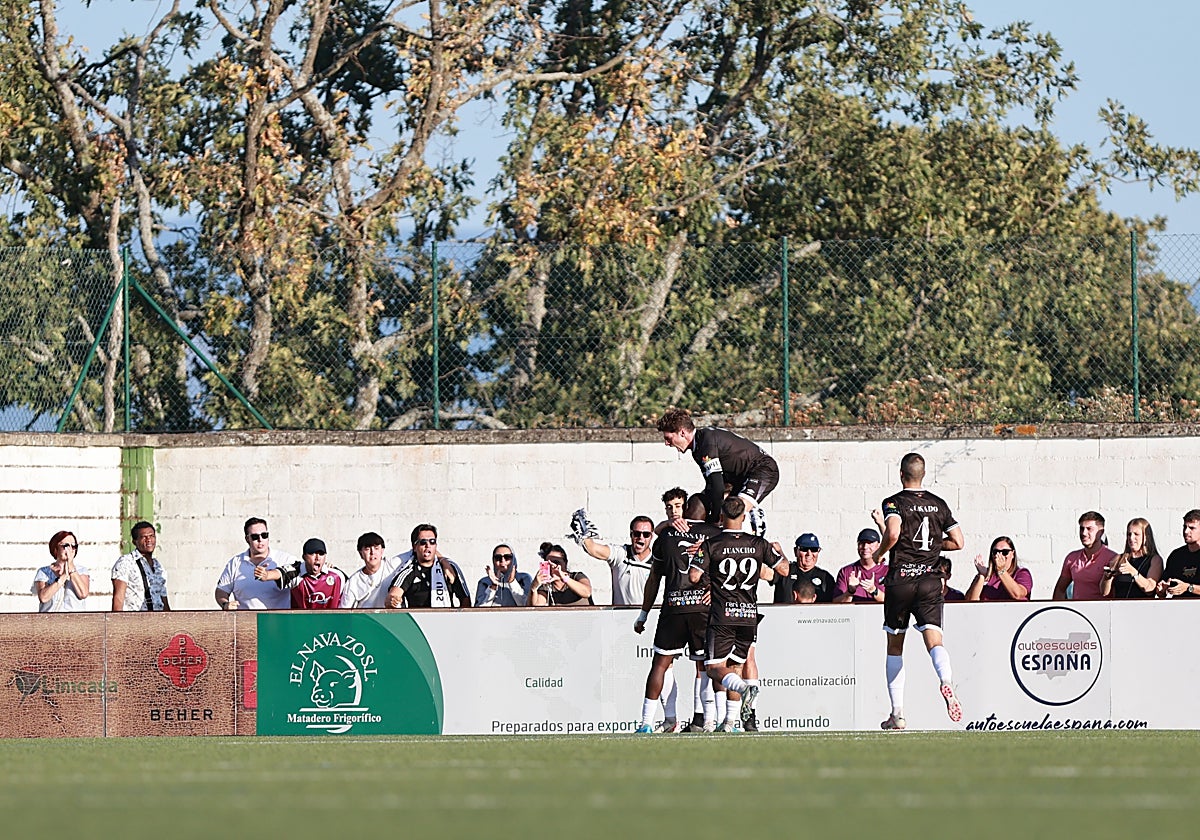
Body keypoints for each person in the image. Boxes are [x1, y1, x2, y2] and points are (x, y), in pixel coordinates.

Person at [873, 452, 965, 730]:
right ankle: (946, 682)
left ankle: (897, 713)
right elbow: (958, 541)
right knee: (934, 641)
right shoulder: (939, 505)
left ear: (901, 475)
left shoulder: (894, 502)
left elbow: (892, 534)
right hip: (929, 580)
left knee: (895, 647)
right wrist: (937, 546)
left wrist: (879, 553)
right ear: (923, 475)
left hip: (901, 579)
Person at [687, 496, 780, 733]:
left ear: (721, 515)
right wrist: (774, 552)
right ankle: (730, 722)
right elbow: (784, 569)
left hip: (722, 615)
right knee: (736, 665)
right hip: (749, 614)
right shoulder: (758, 543)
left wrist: (699, 560)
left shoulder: (712, 544)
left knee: (714, 667)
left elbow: (693, 577)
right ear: (744, 517)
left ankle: (744, 690)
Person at [634, 493, 721, 733]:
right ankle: (707, 721)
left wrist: (643, 614)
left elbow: (654, 578)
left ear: (686, 509)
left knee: (660, 664)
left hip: (673, 606)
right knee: (706, 666)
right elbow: (724, 571)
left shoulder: (666, 535)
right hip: (702, 610)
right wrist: (714, 589)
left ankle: (647, 723)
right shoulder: (714, 534)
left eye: (678, 507)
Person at [656, 408, 780, 536]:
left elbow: (717, 486)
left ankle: (750, 544)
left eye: (668, 438)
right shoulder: (699, 444)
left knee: (734, 511)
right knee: (720, 510)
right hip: (741, 477)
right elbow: (712, 486)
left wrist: (714, 519)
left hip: (762, 470)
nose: (667, 443)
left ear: (682, 433)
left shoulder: (705, 444)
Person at [571, 508, 655, 606]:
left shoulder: (660, 560)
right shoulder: (620, 554)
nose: (641, 537)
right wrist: (584, 533)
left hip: (652, 617)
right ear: (631, 534)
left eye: (646, 534)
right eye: (637, 533)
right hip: (623, 618)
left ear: (651, 536)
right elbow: (593, 549)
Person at [214, 517, 296, 610]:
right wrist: (225, 604)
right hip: (246, 623)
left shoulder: (284, 559)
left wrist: (270, 575)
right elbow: (221, 591)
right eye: (255, 537)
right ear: (247, 539)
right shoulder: (235, 563)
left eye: (264, 535)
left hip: (279, 622)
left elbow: (303, 575)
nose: (260, 540)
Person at [386, 524, 471, 608]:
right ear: (414, 547)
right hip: (418, 621)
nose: (428, 545)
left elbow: (465, 600)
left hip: (448, 620)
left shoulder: (450, 568)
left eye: (432, 541)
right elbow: (393, 596)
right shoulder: (409, 571)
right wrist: (393, 600)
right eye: (423, 542)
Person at [255, 538, 346, 609]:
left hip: (330, 628)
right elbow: (281, 573)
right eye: (312, 554)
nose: (317, 558)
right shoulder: (296, 572)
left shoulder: (337, 575)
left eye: (321, 554)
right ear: (304, 557)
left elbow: (353, 590)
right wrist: (266, 575)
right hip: (302, 625)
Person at [1052, 511, 1118, 601]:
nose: (1084, 533)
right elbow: (1060, 589)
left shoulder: (1113, 558)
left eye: (1089, 529)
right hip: (1078, 613)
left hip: (1104, 612)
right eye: (1081, 528)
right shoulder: (1071, 558)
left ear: (1100, 532)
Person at [111, 521, 171, 611]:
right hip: (135, 621)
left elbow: (164, 600)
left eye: (152, 536)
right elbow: (118, 599)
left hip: (158, 621)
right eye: (144, 537)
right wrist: (117, 623)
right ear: (135, 541)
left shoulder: (158, 566)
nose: (149, 540)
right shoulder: (126, 562)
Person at [340, 532, 408, 609]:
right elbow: (343, 611)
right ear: (360, 553)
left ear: (382, 551)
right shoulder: (353, 581)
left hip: (392, 618)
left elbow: (415, 552)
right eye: (367, 549)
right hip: (367, 619)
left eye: (376, 548)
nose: (372, 553)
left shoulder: (393, 565)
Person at [1101, 518, 1163, 599]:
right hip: (1120, 607)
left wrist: (1133, 572)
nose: (1131, 538)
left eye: (1136, 534)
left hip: (1143, 608)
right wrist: (1107, 578)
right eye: (1129, 534)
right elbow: (1104, 592)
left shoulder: (1154, 560)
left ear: (1146, 537)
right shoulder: (1118, 559)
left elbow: (1150, 589)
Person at [33, 531, 90, 612]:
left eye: (73, 546)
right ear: (56, 548)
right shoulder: (44, 572)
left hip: (74, 621)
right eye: (66, 546)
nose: (70, 549)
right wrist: (62, 577)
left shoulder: (82, 571)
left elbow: (83, 594)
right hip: (50, 622)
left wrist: (70, 566)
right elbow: (43, 598)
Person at [774, 533, 836, 604]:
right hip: (785, 614)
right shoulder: (784, 571)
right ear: (795, 551)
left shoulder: (826, 578)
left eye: (814, 549)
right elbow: (763, 572)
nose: (809, 554)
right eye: (804, 549)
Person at [965, 536, 1033, 601]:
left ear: (1013, 554)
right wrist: (982, 576)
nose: (999, 555)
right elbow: (970, 602)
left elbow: (1017, 594)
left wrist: (1001, 570)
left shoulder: (1022, 573)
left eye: (1005, 552)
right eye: (996, 552)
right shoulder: (988, 574)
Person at [527, 543, 593, 606]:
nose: (553, 566)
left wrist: (564, 578)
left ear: (565, 563)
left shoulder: (576, 576)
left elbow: (586, 592)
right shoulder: (547, 587)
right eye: (549, 564)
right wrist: (534, 587)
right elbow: (535, 606)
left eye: (556, 562)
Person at [832, 528, 887, 604]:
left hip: (880, 615)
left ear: (878, 545)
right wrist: (850, 592)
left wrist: (874, 590)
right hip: (854, 615)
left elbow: (895, 602)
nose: (865, 547)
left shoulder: (888, 570)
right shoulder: (846, 571)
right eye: (862, 543)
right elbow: (835, 603)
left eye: (870, 543)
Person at [1162, 510, 1200, 598]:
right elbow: (1165, 584)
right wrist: (1162, 589)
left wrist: (1188, 587)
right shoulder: (1176, 556)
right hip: (1178, 609)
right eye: (1184, 527)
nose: (1186, 531)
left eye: (1192, 528)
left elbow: (1186, 587)